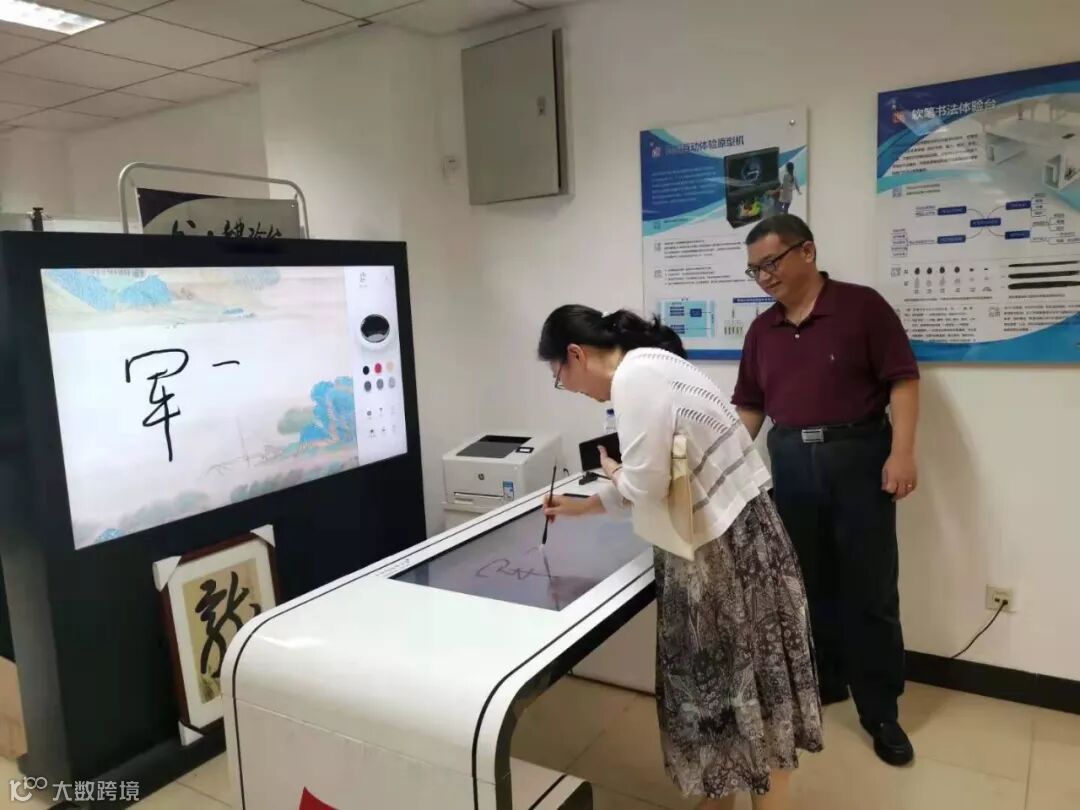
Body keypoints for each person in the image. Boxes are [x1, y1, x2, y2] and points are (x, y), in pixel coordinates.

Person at [538, 306, 823, 810]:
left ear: (575, 355)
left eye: (561, 377)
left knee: (728, 691)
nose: (570, 388)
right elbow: (665, 475)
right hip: (745, 538)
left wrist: (612, 470)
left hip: (718, 554)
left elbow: (646, 485)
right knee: (757, 690)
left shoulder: (634, 378)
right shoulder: (658, 362)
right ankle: (722, 799)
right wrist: (583, 506)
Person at [732, 214, 920, 767]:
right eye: (754, 270)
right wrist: (723, 465)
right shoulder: (761, 331)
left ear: (807, 251)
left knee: (871, 587)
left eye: (771, 263)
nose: (764, 277)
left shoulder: (862, 307)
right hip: (791, 460)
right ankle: (826, 682)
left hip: (858, 456)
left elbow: (903, 380)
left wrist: (902, 453)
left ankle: (880, 709)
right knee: (805, 583)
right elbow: (750, 407)